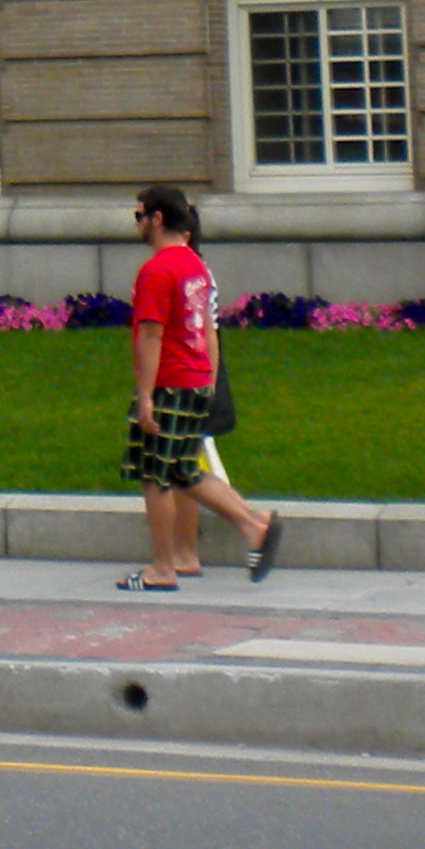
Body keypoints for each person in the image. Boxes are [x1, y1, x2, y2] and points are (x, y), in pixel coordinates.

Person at [119, 184, 280, 590]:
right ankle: (254, 526)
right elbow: (208, 326)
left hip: (169, 382)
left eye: (140, 216)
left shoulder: (157, 270)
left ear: (157, 219)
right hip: (194, 379)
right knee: (185, 469)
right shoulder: (194, 265)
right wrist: (207, 379)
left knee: (155, 474)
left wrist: (145, 396)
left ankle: (162, 567)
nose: (137, 224)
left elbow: (151, 336)